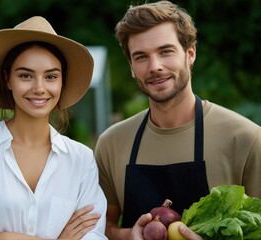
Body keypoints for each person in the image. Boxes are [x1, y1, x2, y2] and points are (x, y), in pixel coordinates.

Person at [95, 1, 261, 240]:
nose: (155, 67)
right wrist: (128, 236)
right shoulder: (112, 143)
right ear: (131, 67)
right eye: (141, 57)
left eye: (165, 51)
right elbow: (102, 228)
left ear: (190, 53)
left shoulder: (247, 139)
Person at [0, 16, 108, 240]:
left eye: (51, 76)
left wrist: (5, 237)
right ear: (8, 79)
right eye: (25, 75)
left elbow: (94, 236)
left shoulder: (81, 160)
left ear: (61, 82)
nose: (39, 88)